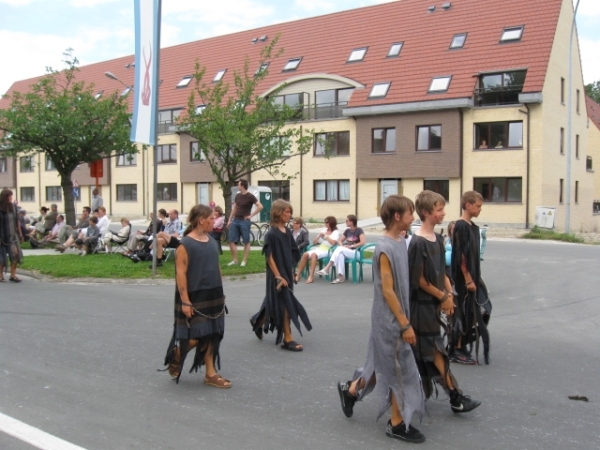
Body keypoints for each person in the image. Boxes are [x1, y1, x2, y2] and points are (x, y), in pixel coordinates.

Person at [336, 195, 426, 444]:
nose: (413, 217)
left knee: (382, 362)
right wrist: (404, 323)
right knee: (399, 369)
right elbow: (387, 290)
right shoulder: (385, 247)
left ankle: (351, 390)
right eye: (410, 214)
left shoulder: (400, 240)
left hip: (396, 315)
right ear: (397, 216)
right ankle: (396, 423)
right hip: (389, 320)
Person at [408, 190, 481, 413]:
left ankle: (449, 396)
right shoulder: (418, 242)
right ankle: (456, 397)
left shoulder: (438, 239)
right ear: (426, 212)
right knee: (435, 351)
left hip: (434, 304)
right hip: (421, 307)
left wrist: (450, 294)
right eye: (439, 210)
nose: (443, 213)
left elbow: (443, 273)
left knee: (425, 353)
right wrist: (441, 296)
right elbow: (418, 279)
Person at [163, 204, 230, 387]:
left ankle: (210, 374)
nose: (214, 222)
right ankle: (178, 353)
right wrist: (185, 301)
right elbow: (181, 274)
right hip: (194, 295)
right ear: (201, 220)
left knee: (213, 333)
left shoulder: (212, 241)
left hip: (213, 293)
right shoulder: (185, 244)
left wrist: (221, 290)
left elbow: (216, 267)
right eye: (211, 219)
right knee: (197, 335)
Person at [249, 199, 312, 351]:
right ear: (278, 213)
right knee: (285, 304)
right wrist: (278, 276)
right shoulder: (271, 234)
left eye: (290, 212)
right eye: (286, 212)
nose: (289, 215)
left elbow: (293, 251)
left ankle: (257, 321)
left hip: (287, 271)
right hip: (277, 273)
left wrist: (293, 270)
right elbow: (269, 257)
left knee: (274, 300)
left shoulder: (288, 232)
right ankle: (287, 338)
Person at [450, 191, 484, 365]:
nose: (480, 210)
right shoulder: (461, 226)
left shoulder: (472, 226)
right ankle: (455, 348)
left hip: (472, 276)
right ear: (468, 205)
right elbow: (461, 255)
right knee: (461, 312)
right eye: (478, 206)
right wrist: (468, 279)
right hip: (463, 279)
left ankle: (461, 344)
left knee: (470, 312)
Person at [317, 214, 365, 284]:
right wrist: (342, 246)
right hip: (347, 251)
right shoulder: (347, 231)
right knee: (340, 255)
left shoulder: (359, 230)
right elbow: (339, 241)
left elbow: (363, 242)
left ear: (351, 222)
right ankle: (340, 277)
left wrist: (352, 246)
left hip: (356, 252)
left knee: (340, 249)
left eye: (347, 221)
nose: (345, 222)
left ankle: (327, 268)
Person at [227, 179, 263, 267]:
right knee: (231, 240)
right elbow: (234, 208)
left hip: (244, 221)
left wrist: (251, 215)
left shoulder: (250, 196)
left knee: (246, 241)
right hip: (235, 220)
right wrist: (229, 219)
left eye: (238, 185)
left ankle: (244, 261)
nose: (237, 186)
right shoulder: (238, 195)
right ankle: (235, 260)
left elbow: (260, 206)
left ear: (242, 186)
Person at [295, 216, 339, 284]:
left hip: (328, 250)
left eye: (327, 222)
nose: (325, 223)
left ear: (331, 223)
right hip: (320, 248)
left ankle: (311, 276)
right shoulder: (324, 230)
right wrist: (319, 236)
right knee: (305, 254)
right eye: (325, 222)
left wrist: (326, 236)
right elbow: (314, 242)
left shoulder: (335, 232)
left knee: (313, 255)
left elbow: (333, 243)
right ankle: (298, 275)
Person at [0, 189, 24, 282]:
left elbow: (17, 222)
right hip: (2, 236)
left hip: (13, 236)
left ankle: (13, 275)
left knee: (15, 255)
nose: (11, 197)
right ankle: (0, 275)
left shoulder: (13, 207)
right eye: (9, 196)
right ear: (4, 197)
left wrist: (20, 234)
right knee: (1, 258)